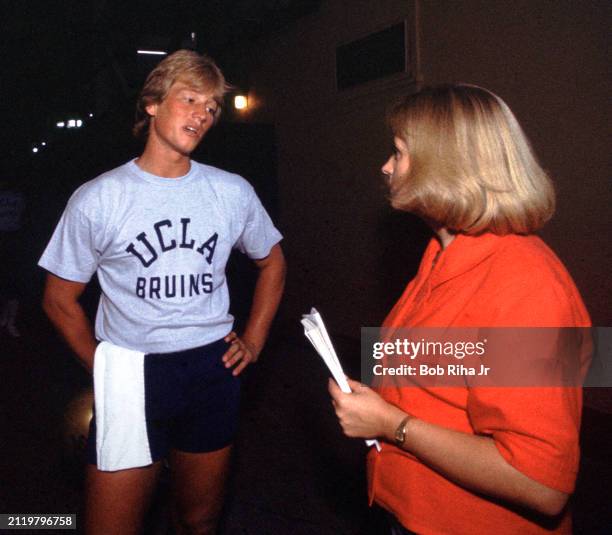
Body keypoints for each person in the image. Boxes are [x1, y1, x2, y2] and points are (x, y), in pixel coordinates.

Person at [39, 49, 286, 535]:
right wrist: (106, 368)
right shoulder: (100, 197)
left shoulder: (230, 191)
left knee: (199, 519)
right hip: (132, 367)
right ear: (152, 103)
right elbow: (57, 299)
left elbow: (272, 260)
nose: (202, 115)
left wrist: (253, 340)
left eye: (212, 107)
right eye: (189, 98)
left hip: (211, 369)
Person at [328, 85, 590, 534]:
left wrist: (392, 425)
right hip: (412, 513)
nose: (386, 166)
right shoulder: (441, 253)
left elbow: (542, 486)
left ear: (445, 166)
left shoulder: (528, 285)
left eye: (399, 153)